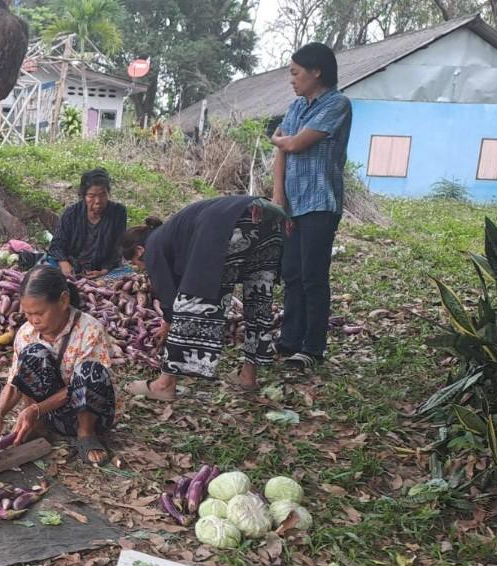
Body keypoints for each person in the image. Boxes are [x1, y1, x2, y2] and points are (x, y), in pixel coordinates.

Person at [119, 195, 289, 402]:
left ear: (139, 250)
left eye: (138, 264)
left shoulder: (153, 244)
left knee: (191, 302)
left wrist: (169, 321)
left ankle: (164, 385)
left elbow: (170, 295)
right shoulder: (173, 234)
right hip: (267, 223)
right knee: (257, 298)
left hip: (227, 227)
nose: (142, 269)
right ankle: (248, 376)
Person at [0, 265, 118, 465]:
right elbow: (14, 381)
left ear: (64, 300)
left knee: (90, 371)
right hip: (49, 414)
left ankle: (86, 435)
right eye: (28, 314)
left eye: (39, 313)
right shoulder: (26, 333)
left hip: (93, 413)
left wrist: (35, 409)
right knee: (31, 354)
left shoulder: (90, 330)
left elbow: (79, 387)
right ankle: (38, 427)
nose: (34, 320)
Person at [272, 42, 352, 371]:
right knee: (291, 273)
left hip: (320, 203)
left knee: (313, 276)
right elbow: (282, 153)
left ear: (316, 71)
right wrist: (278, 196)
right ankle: (290, 338)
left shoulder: (337, 104)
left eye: (295, 73)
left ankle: (312, 346)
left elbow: (293, 143)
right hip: (294, 203)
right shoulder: (296, 107)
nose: (292, 80)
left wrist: (279, 139)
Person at [48, 168, 128, 278]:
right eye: (91, 196)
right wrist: (64, 263)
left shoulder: (118, 212)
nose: (98, 201)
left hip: (102, 268)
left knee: (126, 273)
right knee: (48, 268)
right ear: (84, 196)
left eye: (102, 194)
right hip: (73, 264)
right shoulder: (71, 213)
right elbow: (57, 245)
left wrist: (103, 271)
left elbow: (118, 248)